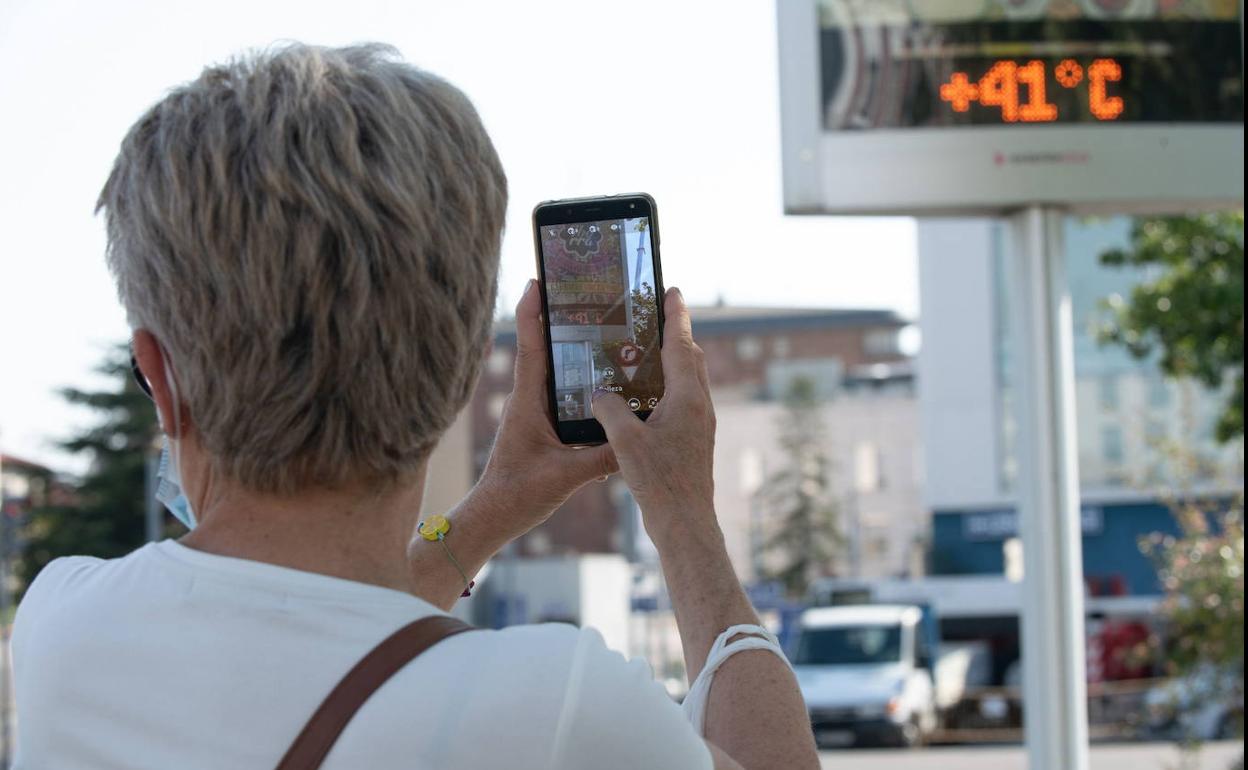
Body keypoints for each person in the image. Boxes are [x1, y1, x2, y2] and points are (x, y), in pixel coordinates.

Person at [10, 44, 818, 769]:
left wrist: (501, 503)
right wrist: (680, 510)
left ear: (159, 375)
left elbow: (316, 624)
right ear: (461, 368)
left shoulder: (60, 628)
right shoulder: (554, 711)